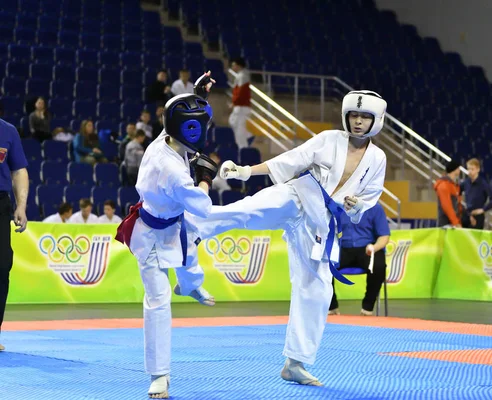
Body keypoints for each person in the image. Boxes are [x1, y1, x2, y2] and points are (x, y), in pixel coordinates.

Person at [195, 90, 387, 386]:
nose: (358, 122)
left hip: (320, 222)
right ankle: (190, 226)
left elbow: (369, 199)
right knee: (247, 209)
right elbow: (292, 160)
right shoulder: (329, 139)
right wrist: (246, 171)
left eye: (365, 117)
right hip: (299, 195)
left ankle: (295, 363)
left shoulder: (377, 158)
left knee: (319, 289)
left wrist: (357, 206)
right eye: (354, 115)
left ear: (377, 121)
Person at [115, 72, 219, 399]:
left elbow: (175, 116)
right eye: (199, 125)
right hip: (150, 233)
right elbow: (201, 204)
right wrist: (205, 178)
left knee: (191, 257)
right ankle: (159, 374)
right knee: (158, 300)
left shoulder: (165, 137)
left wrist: (197, 93)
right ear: (189, 130)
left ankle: (191, 285)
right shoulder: (172, 170)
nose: (202, 131)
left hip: (174, 221)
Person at [328, 202, 390, 316]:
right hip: (342, 248)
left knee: (379, 266)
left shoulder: (375, 207)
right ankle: (332, 307)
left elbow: (384, 235)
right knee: (324, 265)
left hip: (366, 248)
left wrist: (374, 247)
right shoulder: (335, 206)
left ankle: (367, 308)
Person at [0, 118, 29, 352]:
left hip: (0, 203)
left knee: (2, 265)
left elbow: (18, 170)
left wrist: (21, 206)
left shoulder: (8, 131)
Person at [460, 158, 492, 229]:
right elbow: (456, 193)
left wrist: (483, 209)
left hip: (478, 216)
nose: (470, 171)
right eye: (468, 169)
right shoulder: (465, 183)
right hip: (467, 214)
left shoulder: (483, 184)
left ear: (478, 169)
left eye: (472, 169)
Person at [228, 57, 254, 150]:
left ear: (238, 65)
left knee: (240, 129)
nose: (232, 67)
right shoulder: (241, 75)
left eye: (233, 65)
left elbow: (240, 92)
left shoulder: (242, 76)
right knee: (232, 121)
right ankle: (248, 135)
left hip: (242, 106)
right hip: (241, 105)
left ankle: (243, 147)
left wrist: (234, 102)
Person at [434, 160, 462, 227]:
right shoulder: (444, 185)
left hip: (453, 223)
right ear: (454, 169)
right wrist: (456, 222)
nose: (460, 170)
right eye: (458, 168)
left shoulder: (455, 185)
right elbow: (446, 206)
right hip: (445, 223)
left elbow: (457, 205)